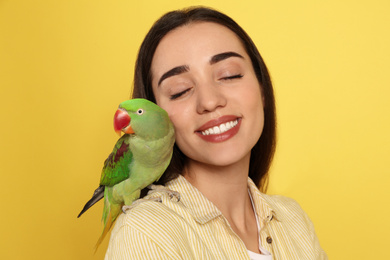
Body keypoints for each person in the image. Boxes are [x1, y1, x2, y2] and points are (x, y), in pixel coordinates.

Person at [105, 6, 327, 260]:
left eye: (229, 75)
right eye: (179, 90)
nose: (209, 101)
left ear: (262, 88)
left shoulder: (293, 220)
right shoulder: (146, 232)